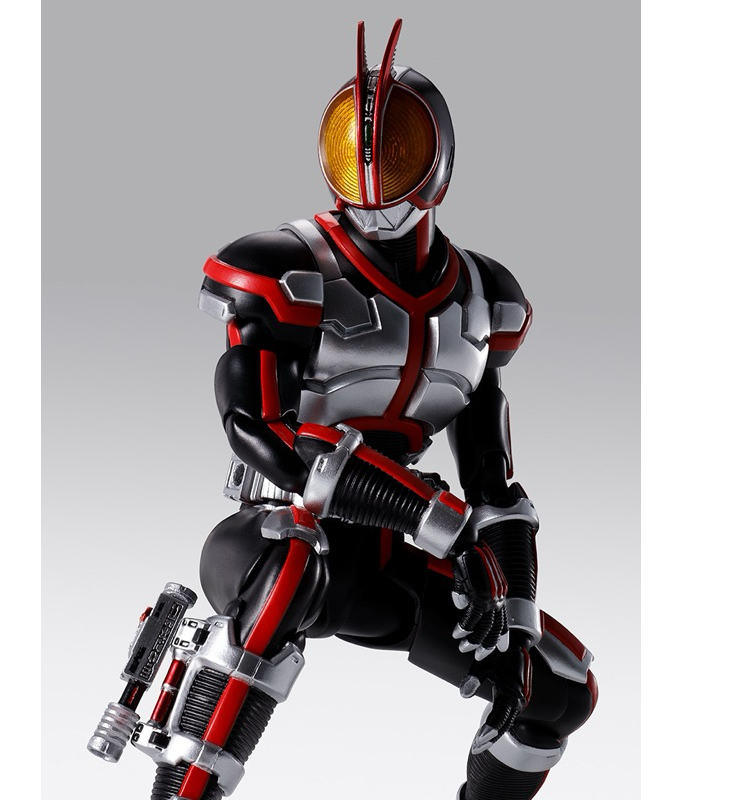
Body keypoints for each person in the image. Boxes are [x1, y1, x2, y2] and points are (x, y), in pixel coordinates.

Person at [159, 19, 597, 800]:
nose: (373, 172)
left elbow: (495, 484)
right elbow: (264, 433)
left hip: (387, 561)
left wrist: (513, 598)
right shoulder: (284, 269)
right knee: (293, 564)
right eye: (354, 148)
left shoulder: (484, 300)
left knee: (557, 687)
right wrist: (445, 525)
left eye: (396, 149)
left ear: (437, 158)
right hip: (276, 534)